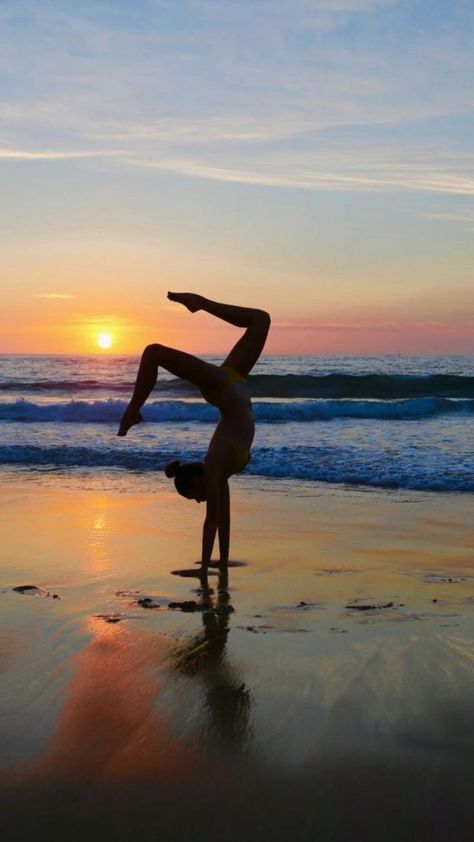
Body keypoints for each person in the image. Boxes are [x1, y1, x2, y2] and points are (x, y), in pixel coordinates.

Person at [118, 293, 270, 574]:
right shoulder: (219, 470)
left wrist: (203, 571)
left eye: (195, 496)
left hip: (224, 385)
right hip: (233, 381)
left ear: (198, 479)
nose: (200, 500)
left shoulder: (214, 466)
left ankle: (132, 411)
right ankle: (200, 303)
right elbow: (223, 519)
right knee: (261, 320)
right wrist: (221, 566)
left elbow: (210, 521)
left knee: (153, 352)